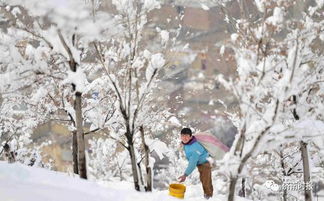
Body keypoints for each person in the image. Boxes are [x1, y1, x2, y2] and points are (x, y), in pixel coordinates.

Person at [178, 128, 213, 199]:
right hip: (199, 162)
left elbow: (192, 164)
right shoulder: (186, 143)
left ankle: (209, 197)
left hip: (205, 163)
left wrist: (185, 175)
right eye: (183, 135)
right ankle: (208, 196)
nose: (184, 138)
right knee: (204, 179)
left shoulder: (194, 148)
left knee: (205, 180)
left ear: (190, 137)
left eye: (186, 136)